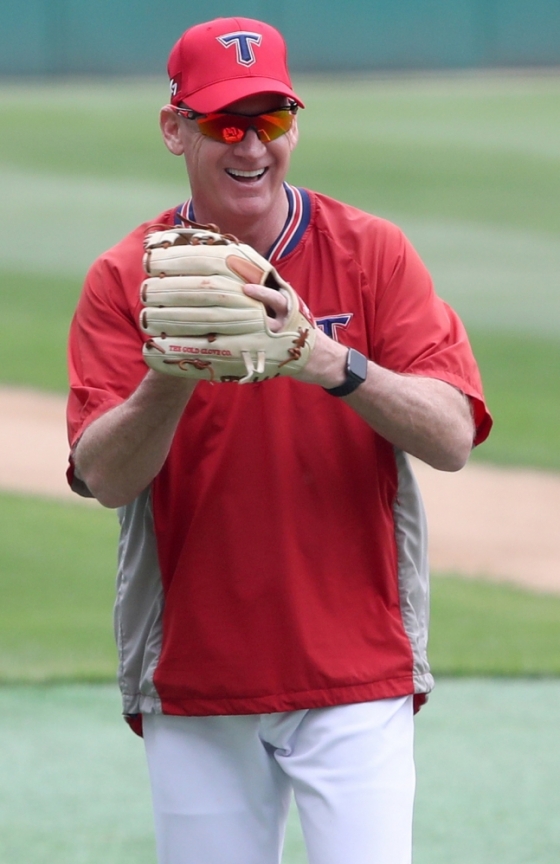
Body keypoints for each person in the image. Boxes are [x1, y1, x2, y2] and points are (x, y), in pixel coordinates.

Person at [66, 16, 492, 864]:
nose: (252, 146)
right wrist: (173, 371)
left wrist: (326, 360)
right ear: (175, 129)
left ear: (295, 125)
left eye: (270, 120)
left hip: (357, 669)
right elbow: (104, 476)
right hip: (195, 676)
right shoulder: (127, 277)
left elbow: (452, 436)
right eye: (226, 125)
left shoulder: (370, 253)